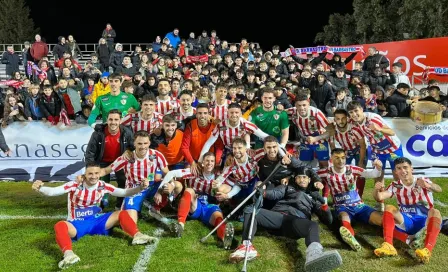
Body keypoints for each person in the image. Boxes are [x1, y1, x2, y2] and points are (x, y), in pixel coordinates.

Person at [31, 163, 156, 269]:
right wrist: (41, 188)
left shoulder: (103, 185)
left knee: (122, 213)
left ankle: (137, 236)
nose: (94, 176)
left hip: (97, 220)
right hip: (77, 223)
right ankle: (69, 254)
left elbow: (123, 192)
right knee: (60, 225)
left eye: (96, 173)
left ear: (100, 174)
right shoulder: (75, 185)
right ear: (85, 174)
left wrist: (140, 188)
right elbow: (53, 191)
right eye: (90, 173)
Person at [229, 167, 343, 272]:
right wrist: (262, 192)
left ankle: (314, 255)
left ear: (309, 180)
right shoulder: (287, 188)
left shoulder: (313, 196)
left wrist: (325, 207)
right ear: (295, 178)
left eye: (304, 177)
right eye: (299, 177)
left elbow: (328, 220)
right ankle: (246, 246)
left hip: (295, 222)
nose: (302, 180)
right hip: (277, 218)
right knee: (251, 210)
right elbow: (274, 194)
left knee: (312, 225)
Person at [98, 130, 179, 222]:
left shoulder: (156, 155)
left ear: (149, 143)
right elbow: (105, 170)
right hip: (134, 189)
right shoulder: (127, 158)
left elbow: (167, 173)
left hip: (152, 186)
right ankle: (141, 208)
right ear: (134, 143)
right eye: (139, 143)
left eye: (145, 143)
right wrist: (87, 177)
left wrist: (166, 187)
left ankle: (164, 207)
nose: (143, 146)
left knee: (177, 185)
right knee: (131, 221)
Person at [373, 157, 443, 264]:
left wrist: (429, 185)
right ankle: (388, 246)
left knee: (435, 212)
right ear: (395, 171)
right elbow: (379, 197)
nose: (403, 171)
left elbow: (439, 189)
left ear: (411, 169)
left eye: (405, 167)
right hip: (407, 221)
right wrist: (376, 190)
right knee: (389, 208)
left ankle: (426, 250)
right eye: (399, 168)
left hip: (424, 222)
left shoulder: (421, 180)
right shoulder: (395, 185)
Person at [159, 152, 235, 249]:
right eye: (207, 160)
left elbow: (235, 185)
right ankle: (180, 225)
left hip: (210, 207)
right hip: (196, 205)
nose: (209, 163)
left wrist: (226, 194)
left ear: (215, 163)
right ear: (202, 162)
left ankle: (224, 239)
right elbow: (171, 173)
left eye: (212, 161)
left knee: (218, 218)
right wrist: (162, 189)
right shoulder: (194, 171)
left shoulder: (220, 175)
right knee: (189, 190)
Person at [317, 148, 384, 251]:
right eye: (337, 158)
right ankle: (351, 239)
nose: (341, 161)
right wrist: (316, 183)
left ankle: (402, 236)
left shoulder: (352, 169)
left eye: (343, 158)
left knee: (381, 219)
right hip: (342, 207)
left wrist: (378, 168)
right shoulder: (326, 172)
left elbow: (372, 174)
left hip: (359, 206)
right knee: (344, 217)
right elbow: (309, 175)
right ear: (331, 159)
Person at [346, 101, 403, 211]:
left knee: (398, 176)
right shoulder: (354, 123)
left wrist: (379, 129)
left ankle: (402, 203)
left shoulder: (373, 118)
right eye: (351, 112)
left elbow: (391, 132)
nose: (354, 114)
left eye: (356, 111)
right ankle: (380, 203)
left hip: (393, 149)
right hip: (377, 151)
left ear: (362, 109)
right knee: (378, 176)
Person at [308, 109, 368, 197]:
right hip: (347, 152)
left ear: (347, 118)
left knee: (360, 174)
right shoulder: (333, 130)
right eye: (338, 119)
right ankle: (343, 196)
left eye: (343, 118)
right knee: (342, 173)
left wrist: (361, 161)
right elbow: (331, 143)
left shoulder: (354, 128)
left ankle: (359, 197)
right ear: (334, 120)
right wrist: (336, 157)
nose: (341, 121)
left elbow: (363, 145)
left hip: (360, 150)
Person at [84, 109, 134, 208]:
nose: (113, 122)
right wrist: (91, 169)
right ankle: (100, 204)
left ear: (120, 120)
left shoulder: (127, 132)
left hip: (119, 162)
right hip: (102, 162)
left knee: (123, 181)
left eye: (116, 119)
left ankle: (119, 205)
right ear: (107, 120)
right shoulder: (98, 134)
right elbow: (90, 153)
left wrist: (128, 150)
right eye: (110, 119)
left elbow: (133, 147)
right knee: (99, 183)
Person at [287, 93, 331, 169]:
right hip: (305, 141)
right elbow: (279, 112)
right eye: (299, 105)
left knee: (323, 165)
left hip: (320, 141)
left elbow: (331, 131)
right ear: (295, 105)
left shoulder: (317, 113)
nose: (301, 108)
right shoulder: (292, 111)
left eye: (304, 105)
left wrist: (316, 138)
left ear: (308, 103)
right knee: (303, 165)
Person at [181, 103, 224, 173]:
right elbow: (184, 147)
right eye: (200, 113)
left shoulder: (215, 127)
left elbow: (219, 146)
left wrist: (216, 161)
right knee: (191, 172)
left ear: (208, 114)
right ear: (196, 114)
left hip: (209, 161)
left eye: (205, 113)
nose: (202, 116)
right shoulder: (190, 126)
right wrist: (192, 162)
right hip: (193, 159)